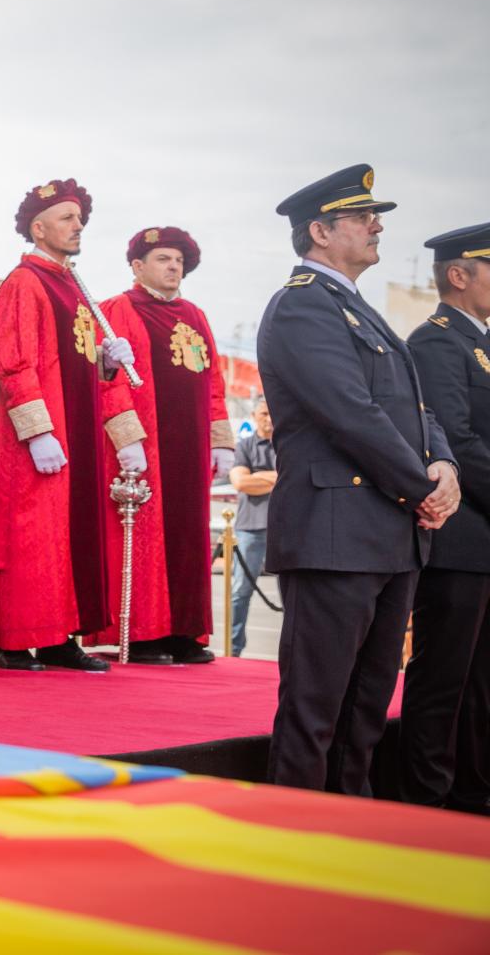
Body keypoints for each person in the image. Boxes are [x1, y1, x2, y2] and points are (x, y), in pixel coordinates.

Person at [257, 164, 458, 795]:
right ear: (320, 231)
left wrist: (444, 464)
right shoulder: (302, 307)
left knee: (365, 713)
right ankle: (293, 844)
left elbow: (416, 408)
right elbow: (350, 412)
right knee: (316, 711)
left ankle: (352, 832)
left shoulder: (355, 308)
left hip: (386, 532)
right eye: (363, 217)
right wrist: (422, 487)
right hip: (335, 534)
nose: (377, 227)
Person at [0, 179, 144, 673]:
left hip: (78, 432)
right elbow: (11, 361)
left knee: (66, 537)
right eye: (68, 218)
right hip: (37, 437)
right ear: (39, 226)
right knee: (30, 535)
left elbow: (82, 368)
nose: (78, 226)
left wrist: (108, 363)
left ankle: (59, 637)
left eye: (79, 218)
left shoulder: (76, 288)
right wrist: (36, 430)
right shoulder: (23, 284)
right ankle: (15, 640)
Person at [87, 227, 232, 664]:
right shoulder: (118, 310)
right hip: (146, 444)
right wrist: (127, 439)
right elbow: (107, 383)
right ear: (138, 266)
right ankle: (145, 634)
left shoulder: (195, 314)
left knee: (190, 538)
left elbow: (215, 381)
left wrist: (220, 439)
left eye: (179, 261)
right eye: (164, 259)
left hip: (190, 446)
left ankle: (186, 632)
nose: (174, 268)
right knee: (146, 540)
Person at [402, 221, 490, 814]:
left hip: (483, 539)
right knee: (443, 677)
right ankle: (427, 799)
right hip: (459, 538)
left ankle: (473, 790)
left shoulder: (475, 341)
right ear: (459, 275)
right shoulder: (436, 341)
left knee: (481, 682)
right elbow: (454, 439)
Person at [228, 398, 277, 657]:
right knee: (240, 592)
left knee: (292, 595)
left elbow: (293, 479)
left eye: (273, 413)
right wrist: (275, 478)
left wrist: (256, 477)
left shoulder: (288, 445)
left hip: (285, 529)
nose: (269, 419)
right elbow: (240, 483)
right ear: (254, 414)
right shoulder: (244, 446)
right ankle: (233, 647)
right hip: (250, 528)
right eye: (264, 413)